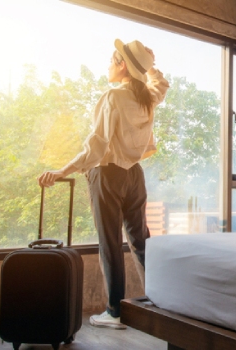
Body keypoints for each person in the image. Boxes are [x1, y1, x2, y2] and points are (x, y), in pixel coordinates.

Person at [37, 38, 169, 329]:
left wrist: (61, 171)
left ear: (123, 66)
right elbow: (161, 84)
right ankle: (162, 303)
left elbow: (96, 146)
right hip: (135, 176)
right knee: (141, 242)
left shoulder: (113, 97)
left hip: (108, 175)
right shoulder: (147, 97)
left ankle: (115, 312)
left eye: (112, 61)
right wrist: (149, 66)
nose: (108, 66)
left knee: (110, 243)